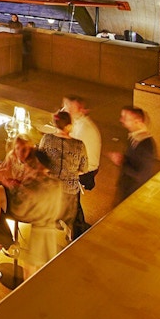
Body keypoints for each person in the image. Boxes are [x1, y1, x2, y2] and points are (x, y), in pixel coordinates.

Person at [6, 150, 65, 277]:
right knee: (46, 269)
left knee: (30, 271)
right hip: (50, 231)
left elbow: (19, 211)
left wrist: (16, 188)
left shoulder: (33, 187)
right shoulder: (56, 184)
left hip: (38, 234)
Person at [38, 110, 88, 242]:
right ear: (69, 126)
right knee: (76, 215)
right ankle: (73, 236)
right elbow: (84, 169)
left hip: (50, 188)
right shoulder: (79, 145)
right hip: (70, 190)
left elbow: (41, 162)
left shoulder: (46, 139)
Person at [62, 95, 101, 238]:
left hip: (86, 170)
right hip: (80, 165)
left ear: (80, 109)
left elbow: (73, 154)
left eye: (68, 107)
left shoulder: (84, 128)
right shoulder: (78, 123)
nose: (64, 110)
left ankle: (76, 229)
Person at [109, 106, 157, 204]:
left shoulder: (146, 145)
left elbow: (141, 174)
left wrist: (121, 161)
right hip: (127, 188)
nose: (121, 120)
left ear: (137, 121)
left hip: (133, 192)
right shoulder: (134, 137)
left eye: (125, 118)